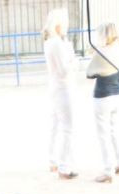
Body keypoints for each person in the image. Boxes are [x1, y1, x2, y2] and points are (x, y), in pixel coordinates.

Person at [86, 22, 119, 183]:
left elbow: (89, 73)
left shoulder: (102, 53)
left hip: (103, 96)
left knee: (103, 134)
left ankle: (107, 171)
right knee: (114, 131)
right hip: (118, 94)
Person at [42, 8, 79, 180]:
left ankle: (53, 160)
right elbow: (64, 70)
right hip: (63, 88)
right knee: (68, 128)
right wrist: (73, 60)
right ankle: (64, 167)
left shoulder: (50, 42)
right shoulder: (57, 43)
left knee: (55, 126)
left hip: (55, 87)